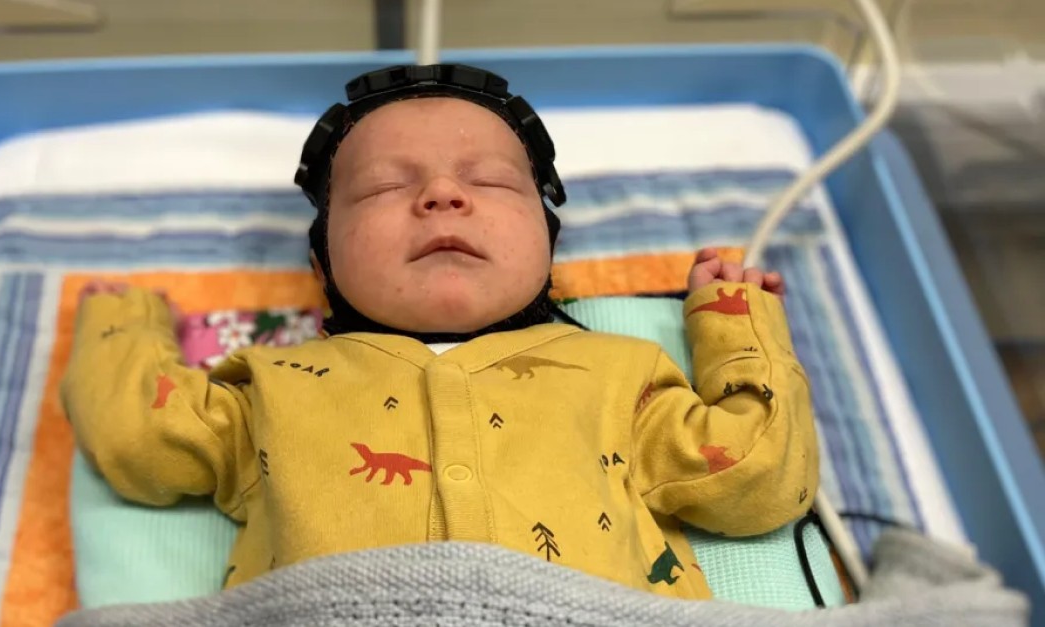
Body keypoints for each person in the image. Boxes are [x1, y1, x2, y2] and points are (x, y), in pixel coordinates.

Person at [61, 65, 817, 601]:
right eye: (387, 186)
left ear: (547, 241)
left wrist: (731, 322)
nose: (443, 195)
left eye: (488, 181)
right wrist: (122, 327)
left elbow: (755, 478)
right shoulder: (271, 386)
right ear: (322, 258)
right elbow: (141, 438)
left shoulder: (622, 374)